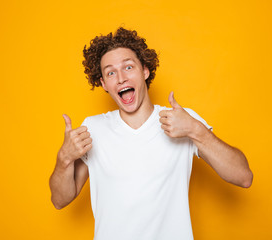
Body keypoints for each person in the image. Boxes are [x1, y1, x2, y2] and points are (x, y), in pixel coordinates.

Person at [49, 27, 253, 240]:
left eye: (128, 67)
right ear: (103, 84)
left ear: (145, 71)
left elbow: (243, 177)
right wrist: (64, 158)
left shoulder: (182, 120)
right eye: (110, 72)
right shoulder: (93, 129)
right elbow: (60, 200)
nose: (120, 78)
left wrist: (196, 130)